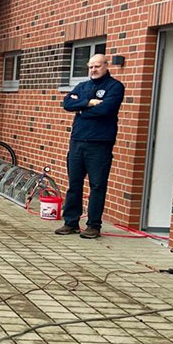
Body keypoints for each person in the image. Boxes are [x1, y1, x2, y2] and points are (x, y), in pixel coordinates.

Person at [55, 54, 125, 239]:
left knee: (97, 186)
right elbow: (67, 103)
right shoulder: (83, 86)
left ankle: (93, 226)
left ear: (106, 65)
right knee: (74, 185)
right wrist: (87, 103)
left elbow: (106, 109)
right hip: (77, 142)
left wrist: (80, 110)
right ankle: (70, 222)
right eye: (91, 66)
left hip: (99, 145)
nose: (94, 70)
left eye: (97, 66)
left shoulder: (115, 87)